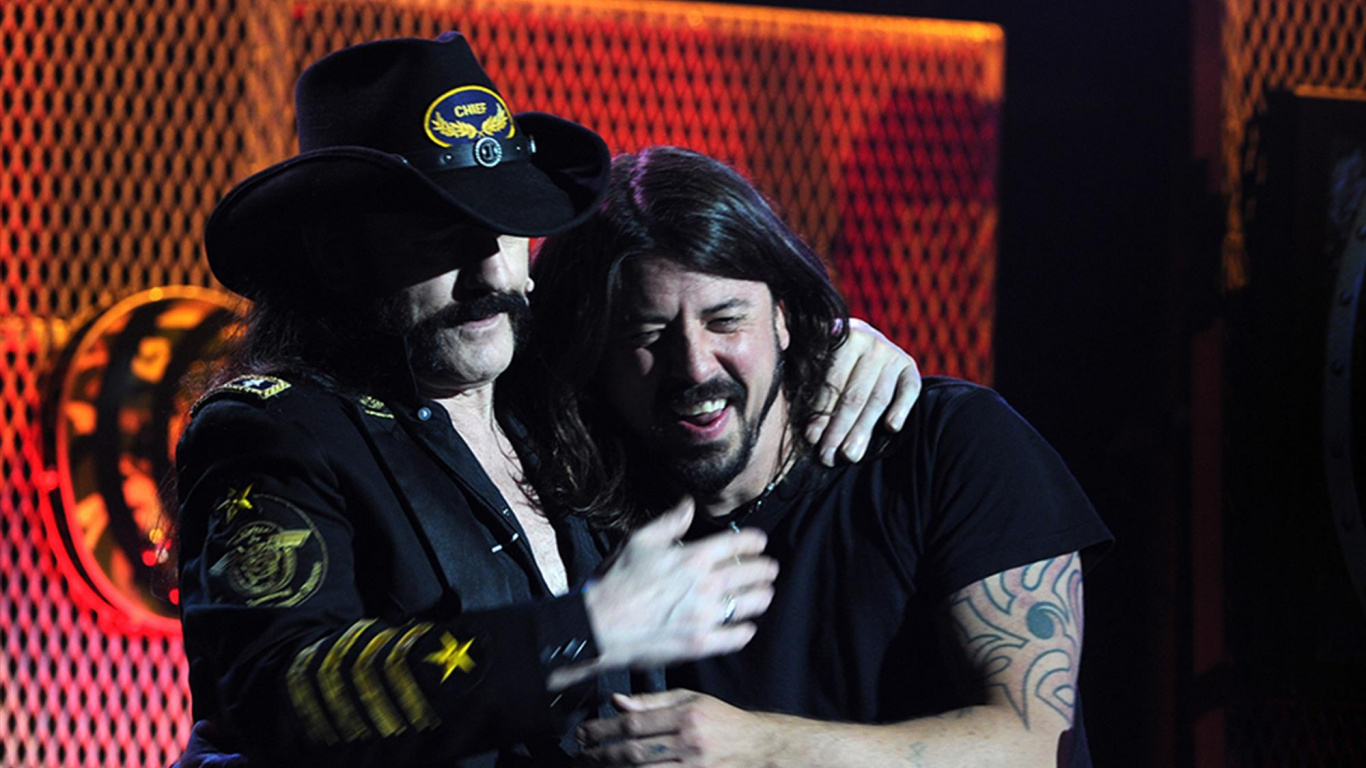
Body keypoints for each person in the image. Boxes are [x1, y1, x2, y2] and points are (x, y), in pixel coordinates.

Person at [176, 34, 919, 768]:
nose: (488, 275)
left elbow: (708, 372)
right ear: (339, 255)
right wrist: (587, 628)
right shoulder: (276, 430)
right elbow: (276, 692)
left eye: (504, 226)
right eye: (438, 238)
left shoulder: (557, 405)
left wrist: (832, 349)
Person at [520, 146, 1115, 767]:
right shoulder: (583, 507)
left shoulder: (948, 443)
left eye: (726, 322)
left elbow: (1034, 746)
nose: (694, 367)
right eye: (648, 335)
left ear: (782, 316)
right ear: (594, 352)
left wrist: (765, 750)